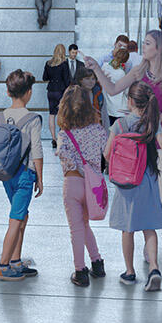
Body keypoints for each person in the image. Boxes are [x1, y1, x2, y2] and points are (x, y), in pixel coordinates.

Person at [106, 81, 162, 288]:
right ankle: (154, 267)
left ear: (129, 101)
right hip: (147, 178)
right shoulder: (151, 122)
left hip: (125, 182)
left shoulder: (119, 125)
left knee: (127, 229)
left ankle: (130, 272)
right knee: (149, 227)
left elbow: (106, 152)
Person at [0, 70, 45, 280]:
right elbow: (36, 150)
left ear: (8, 91)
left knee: (22, 215)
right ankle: (3, 265)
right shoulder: (32, 119)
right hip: (24, 175)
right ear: (29, 92)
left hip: (6, 174)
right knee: (16, 219)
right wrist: (40, 177)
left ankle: (16, 260)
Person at [54, 81, 110, 285]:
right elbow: (106, 153)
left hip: (73, 182)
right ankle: (97, 263)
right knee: (84, 225)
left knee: (76, 229)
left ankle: (80, 271)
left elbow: (63, 155)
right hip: (93, 185)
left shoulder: (64, 134)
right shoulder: (98, 130)